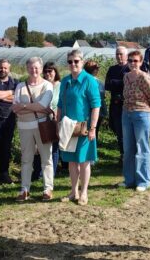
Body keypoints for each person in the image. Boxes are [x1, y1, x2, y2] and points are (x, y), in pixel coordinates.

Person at [57, 49, 101, 206]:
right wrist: (58, 124)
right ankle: (73, 191)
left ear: (82, 62)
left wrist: (93, 128)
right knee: (71, 161)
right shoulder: (65, 81)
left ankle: (84, 193)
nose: (73, 64)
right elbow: (60, 104)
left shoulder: (89, 81)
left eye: (76, 61)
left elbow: (96, 105)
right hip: (68, 127)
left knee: (84, 161)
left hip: (83, 127)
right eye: (70, 61)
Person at [12, 57, 54, 201]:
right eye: (31, 67)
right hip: (24, 127)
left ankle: (48, 188)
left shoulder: (47, 85)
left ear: (41, 69)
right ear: (27, 68)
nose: (34, 70)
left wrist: (24, 106)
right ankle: (24, 189)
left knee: (46, 158)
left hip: (43, 126)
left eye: (36, 68)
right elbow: (15, 109)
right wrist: (35, 107)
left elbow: (43, 105)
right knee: (26, 159)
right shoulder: (20, 86)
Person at [120, 50, 150, 191]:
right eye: (130, 60)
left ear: (141, 62)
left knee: (142, 147)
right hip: (126, 113)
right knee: (128, 148)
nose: (132, 63)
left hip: (141, 114)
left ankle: (143, 181)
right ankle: (129, 179)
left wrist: (149, 114)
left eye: (135, 61)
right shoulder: (126, 77)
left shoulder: (144, 77)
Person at [33, 61, 61, 179]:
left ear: (55, 72)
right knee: (40, 145)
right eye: (45, 71)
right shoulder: (41, 85)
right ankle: (38, 172)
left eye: (50, 71)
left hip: (55, 119)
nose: (47, 73)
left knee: (53, 147)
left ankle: (51, 173)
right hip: (41, 119)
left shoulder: (61, 85)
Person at [105, 46, 128, 159]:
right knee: (117, 128)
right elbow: (107, 85)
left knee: (127, 131)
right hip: (115, 104)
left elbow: (129, 84)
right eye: (117, 54)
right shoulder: (112, 69)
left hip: (127, 104)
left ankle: (128, 154)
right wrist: (121, 82)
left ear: (126, 56)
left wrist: (115, 82)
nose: (119, 56)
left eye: (121, 54)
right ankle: (123, 154)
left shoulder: (129, 68)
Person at [83, 60, 106, 134]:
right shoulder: (98, 82)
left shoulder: (83, 81)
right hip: (96, 111)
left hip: (89, 111)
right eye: (96, 68)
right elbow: (102, 97)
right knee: (93, 132)